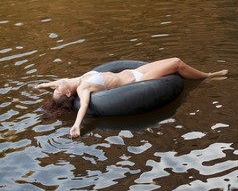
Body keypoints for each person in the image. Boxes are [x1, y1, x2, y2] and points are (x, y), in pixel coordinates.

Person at [35, 57, 228, 138]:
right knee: (177, 63)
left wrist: (43, 85)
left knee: (175, 61)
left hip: (134, 71)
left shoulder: (75, 80)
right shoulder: (83, 88)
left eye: (57, 85)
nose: (58, 83)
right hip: (140, 80)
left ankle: (206, 75)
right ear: (69, 93)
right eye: (59, 87)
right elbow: (84, 104)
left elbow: (58, 82)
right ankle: (208, 76)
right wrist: (77, 124)